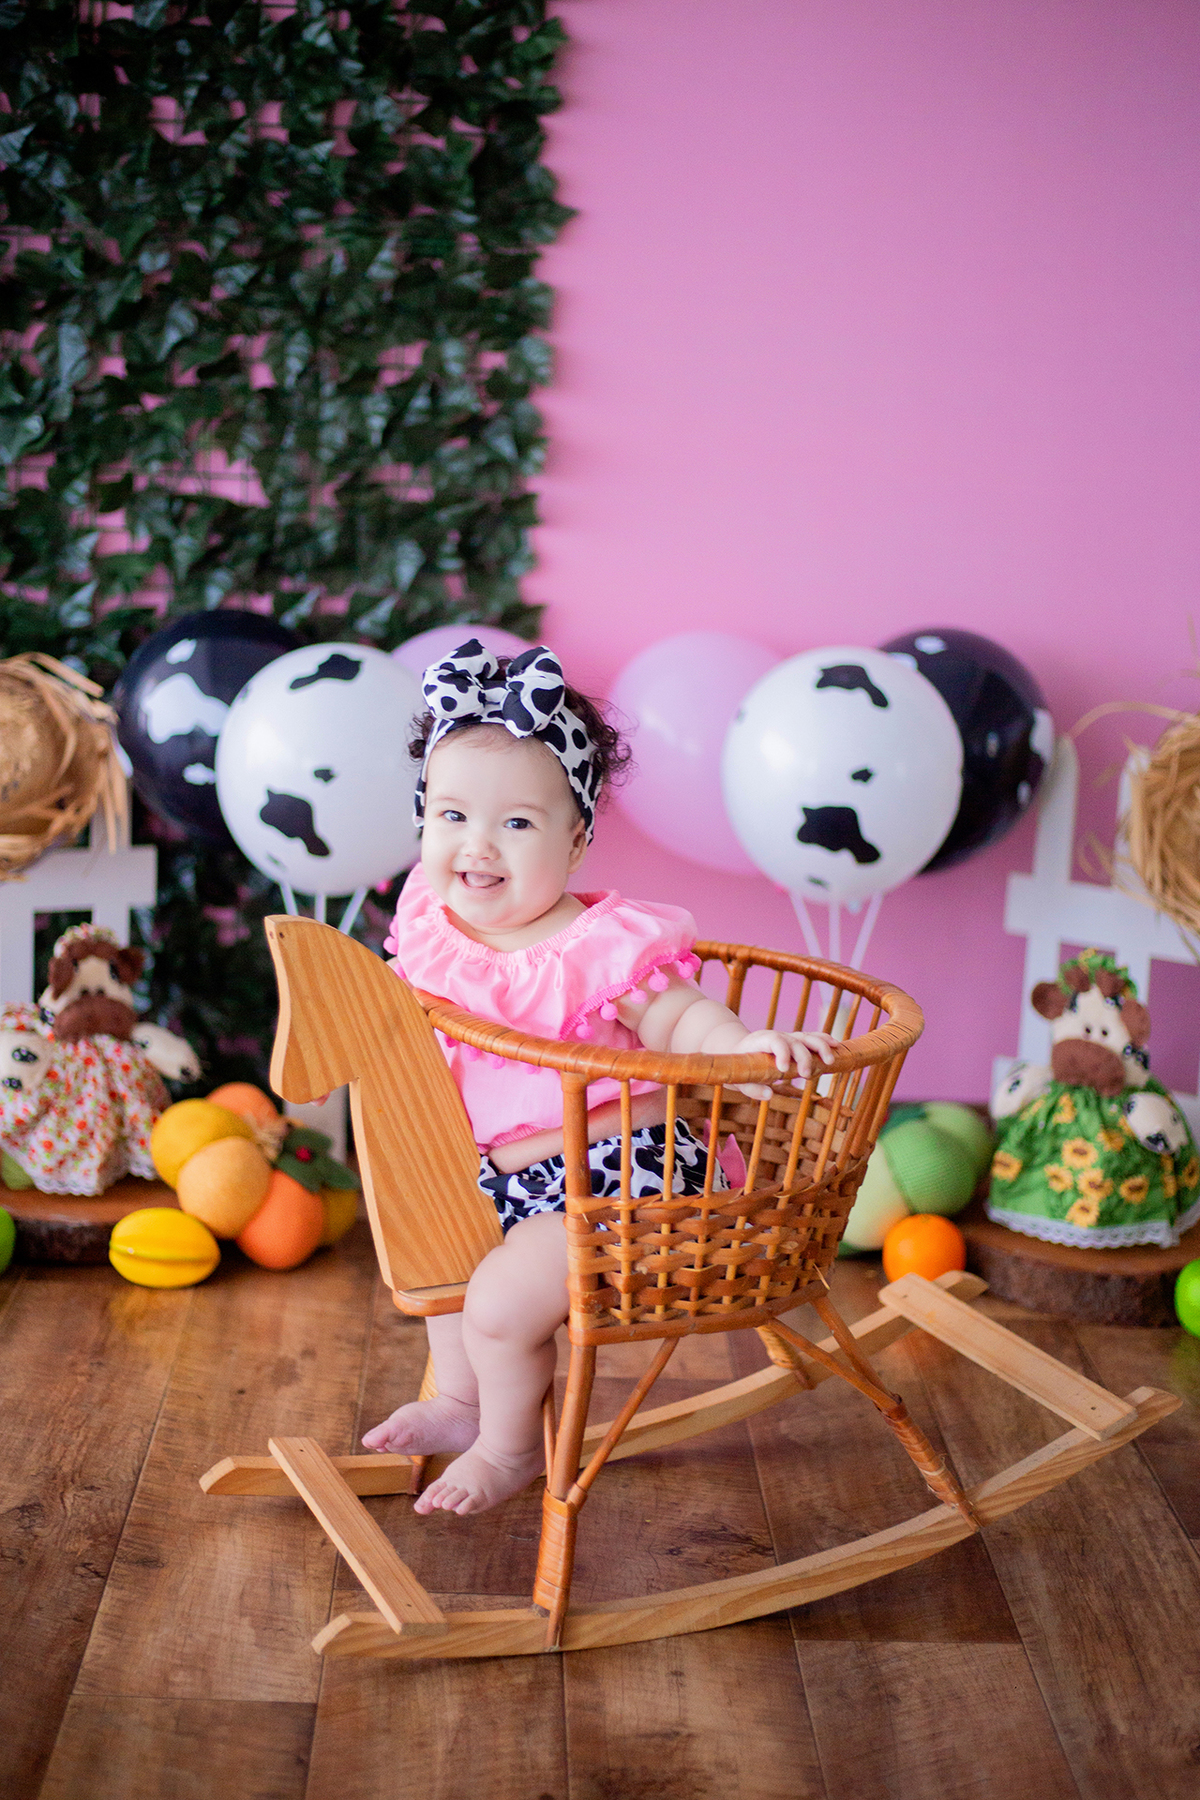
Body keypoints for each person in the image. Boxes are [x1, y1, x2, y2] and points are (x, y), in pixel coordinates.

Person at [363, 641, 837, 1515]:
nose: (478, 846)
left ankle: (510, 1452)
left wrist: (745, 1045)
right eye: (454, 815)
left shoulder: (600, 946)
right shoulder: (431, 926)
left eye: (517, 824)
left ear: (576, 841)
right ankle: (460, 1404)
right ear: (423, 817)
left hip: (622, 1172)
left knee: (502, 1303)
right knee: (445, 1267)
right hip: (496, 1176)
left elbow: (679, 1016)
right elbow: (389, 1027)